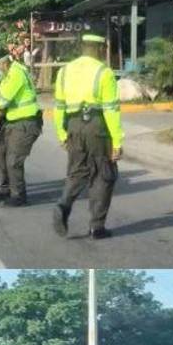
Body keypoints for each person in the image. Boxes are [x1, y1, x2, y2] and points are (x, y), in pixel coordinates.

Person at [53, 33, 123, 239]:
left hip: (74, 125)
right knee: (103, 174)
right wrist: (117, 142)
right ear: (100, 49)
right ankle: (97, 227)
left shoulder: (65, 71)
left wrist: (62, 133)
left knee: (76, 172)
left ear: (82, 48)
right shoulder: (104, 72)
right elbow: (111, 110)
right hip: (97, 126)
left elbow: (59, 106)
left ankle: (63, 204)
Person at [0, 49, 43, 207]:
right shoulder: (7, 75)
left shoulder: (16, 73)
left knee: (13, 160)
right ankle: (3, 188)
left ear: (3, 63)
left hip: (26, 121)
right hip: (12, 121)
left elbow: (2, 101)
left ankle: (18, 195)